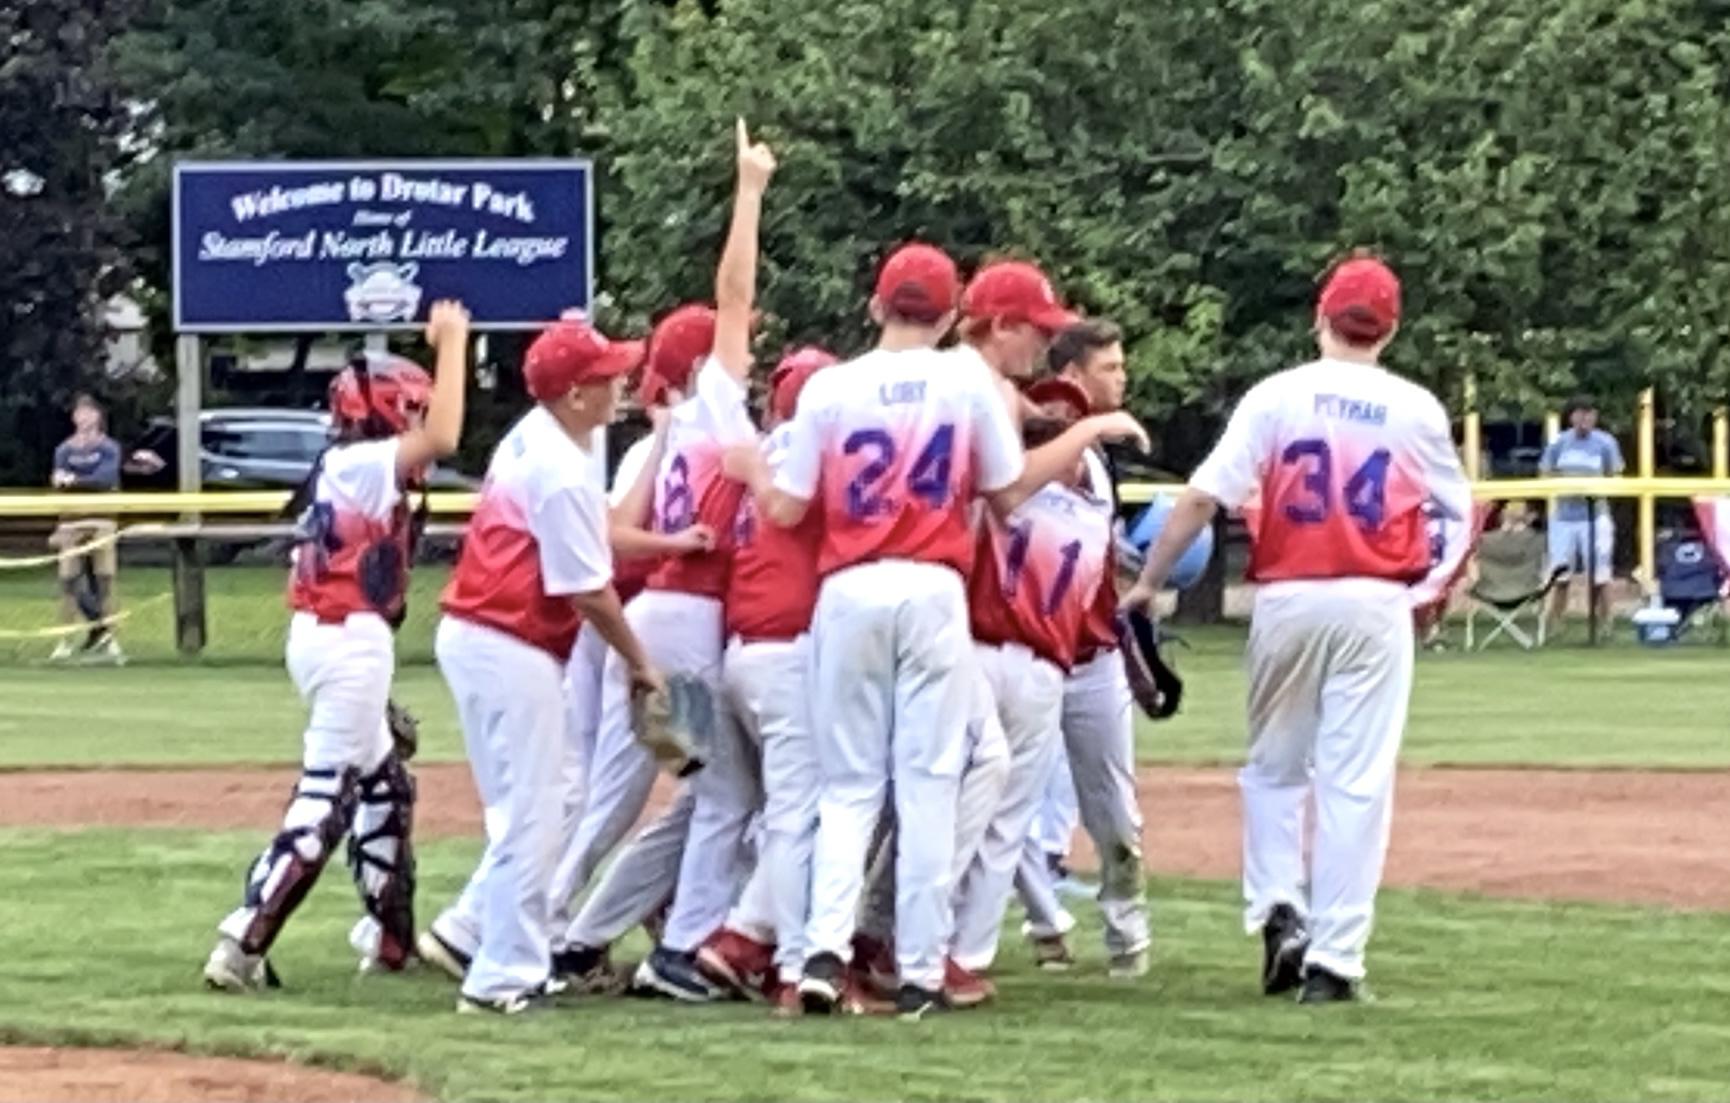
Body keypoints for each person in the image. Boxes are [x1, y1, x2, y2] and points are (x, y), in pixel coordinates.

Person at [727, 240, 1149, 1019]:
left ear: (876, 306)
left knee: (849, 786)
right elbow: (1007, 491)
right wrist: (1085, 434)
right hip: (932, 585)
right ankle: (919, 966)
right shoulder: (962, 383)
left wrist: (751, 469)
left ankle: (821, 951)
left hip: (847, 585)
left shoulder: (831, 386)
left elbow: (785, 509)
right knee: (926, 783)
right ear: (954, 313)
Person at [1123, 255, 1472, 1004]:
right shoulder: (1415, 408)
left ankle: (1278, 907)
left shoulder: (1276, 397)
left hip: (1286, 595)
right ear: (1392, 328)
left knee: (1274, 768)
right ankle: (1335, 959)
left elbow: (1200, 497)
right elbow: (1457, 512)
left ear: (1320, 317)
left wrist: (1149, 581)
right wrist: (1431, 585)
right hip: (1374, 598)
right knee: (1356, 781)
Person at [554, 121, 771, 1000]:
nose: (748, 340)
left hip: (659, 623)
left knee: (687, 796)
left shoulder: (679, 425)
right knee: (724, 799)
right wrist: (749, 191)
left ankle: (567, 931)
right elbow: (733, 291)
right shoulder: (716, 411)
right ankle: (678, 951)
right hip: (684, 625)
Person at [202, 300, 471, 992]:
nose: (414, 421)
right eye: (405, 408)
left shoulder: (350, 464)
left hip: (340, 636)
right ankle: (243, 940)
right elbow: (443, 436)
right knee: (327, 796)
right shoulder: (359, 462)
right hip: (346, 638)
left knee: (386, 784)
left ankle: (390, 939)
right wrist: (455, 341)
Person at [431, 313, 660, 1016]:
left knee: (548, 798)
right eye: (603, 378)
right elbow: (588, 590)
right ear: (573, 395)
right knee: (536, 810)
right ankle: (504, 975)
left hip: (487, 637)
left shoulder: (540, 435)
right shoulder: (559, 466)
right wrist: (640, 662)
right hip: (508, 642)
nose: (618, 384)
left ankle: (475, 932)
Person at [949, 378, 1116, 980]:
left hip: (979, 652)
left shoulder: (996, 496)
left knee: (953, 797)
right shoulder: (1094, 521)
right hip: (1041, 667)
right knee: (1005, 821)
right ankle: (969, 952)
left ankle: (922, 935)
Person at [690, 346, 838, 1011]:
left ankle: (738, 935)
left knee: (749, 808)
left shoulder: (757, 452)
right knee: (796, 816)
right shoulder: (816, 466)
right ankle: (791, 961)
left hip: (736, 651)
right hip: (787, 653)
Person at [1013, 319, 1153, 977]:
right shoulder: (1021, 449)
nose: (1120, 378)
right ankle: (1045, 924)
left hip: (1092, 656)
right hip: (1029, 654)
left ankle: (1128, 930)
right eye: (1110, 367)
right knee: (999, 801)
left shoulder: (1099, 459)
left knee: (1114, 811)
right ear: (1071, 374)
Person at [49, 394, 125, 664]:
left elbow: (106, 478)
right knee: (68, 581)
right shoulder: (64, 449)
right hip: (71, 521)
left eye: (88, 413)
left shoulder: (109, 447)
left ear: (98, 417)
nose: (83, 418)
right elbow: (58, 478)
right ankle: (64, 641)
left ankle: (111, 640)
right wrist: (65, 481)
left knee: (106, 580)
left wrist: (75, 480)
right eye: (79, 413)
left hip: (102, 519)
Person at [1540, 396, 1623, 628]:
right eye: (1580, 413)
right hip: (1563, 517)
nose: (1585, 418)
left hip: (1596, 516)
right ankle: (1555, 623)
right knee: (1560, 573)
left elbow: (1615, 475)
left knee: (1600, 573)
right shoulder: (1558, 442)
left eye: (1590, 413)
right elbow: (1546, 473)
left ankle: (1605, 621)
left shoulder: (1606, 443)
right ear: (1571, 417)